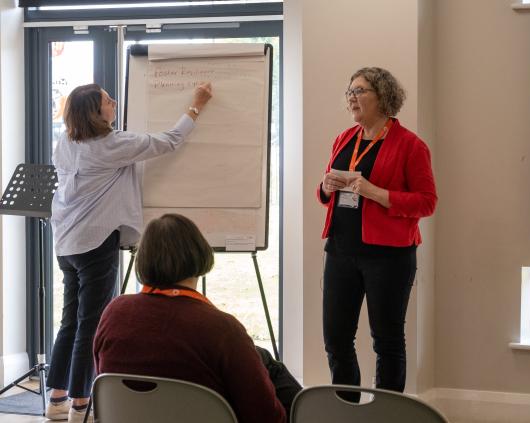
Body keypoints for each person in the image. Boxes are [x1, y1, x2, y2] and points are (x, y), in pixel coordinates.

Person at [47, 82, 212, 422]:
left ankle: (57, 399)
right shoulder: (112, 144)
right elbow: (169, 141)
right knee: (89, 325)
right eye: (108, 101)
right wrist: (195, 105)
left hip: (65, 242)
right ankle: (81, 405)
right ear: (95, 112)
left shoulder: (64, 142)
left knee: (69, 321)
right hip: (94, 244)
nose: (114, 103)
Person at [93, 213, 293, 423]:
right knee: (266, 364)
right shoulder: (222, 329)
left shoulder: (114, 313)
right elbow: (267, 418)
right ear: (199, 254)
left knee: (260, 356)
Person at [316, 67, 437, 401]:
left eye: (360, 91)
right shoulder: (345, 138)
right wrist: (325, 187)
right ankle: (347, 408)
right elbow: (330, 192)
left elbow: (427, 203)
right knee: (336, 339)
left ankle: (387, 413)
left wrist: (377, 193)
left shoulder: (411, 146)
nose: (352, 98)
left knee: (386, 341)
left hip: (389, 256)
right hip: (340, 250)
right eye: (350, 91)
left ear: (383, 96)